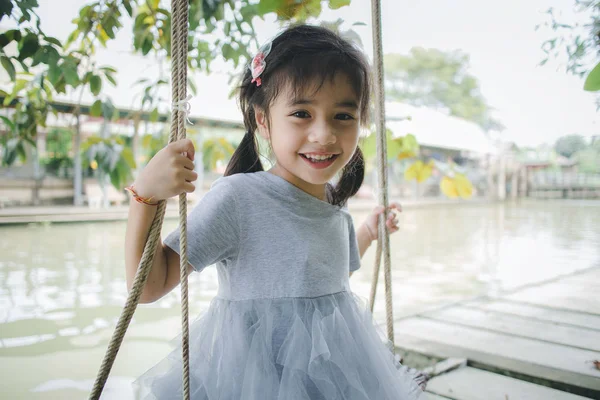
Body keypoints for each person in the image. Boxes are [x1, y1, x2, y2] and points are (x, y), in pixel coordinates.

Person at [125, 24, 424, 399]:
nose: (324, 134)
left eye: (343, 116)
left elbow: (333, 273)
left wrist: (366, 231)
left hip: (332, 371)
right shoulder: (239, 199)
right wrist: (145, 197)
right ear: (263, 120)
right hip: (253, 378)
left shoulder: (334, 206)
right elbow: (150, 286)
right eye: (301, 113)